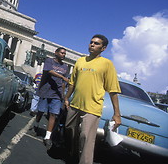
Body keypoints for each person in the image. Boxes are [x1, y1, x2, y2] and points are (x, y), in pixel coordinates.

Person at [64, 34, 121, 164]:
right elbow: (72, 83)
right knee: (68, 129)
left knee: (86, 137)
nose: (92, 45)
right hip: (75, 105)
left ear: (103, 48)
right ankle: (72, 154)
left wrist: (117, 113)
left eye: (96, 43)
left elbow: (113, 90)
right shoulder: (80, 61)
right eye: (91, 42)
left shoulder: (107, 64)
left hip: (92, 108)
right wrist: (66, 98)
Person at [34, 47, 69, 149]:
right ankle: (36, 124)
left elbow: (63, 84)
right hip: (45, 90)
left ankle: (47, 137)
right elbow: (49, 71)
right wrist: (62, 77)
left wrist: (63, 95)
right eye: (62, 53)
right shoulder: (49, 61)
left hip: (56, 94)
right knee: (41, 111)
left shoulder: (65, 67)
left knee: (54, 114)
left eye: (64, 53)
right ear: (56, 53)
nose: (63, 55)